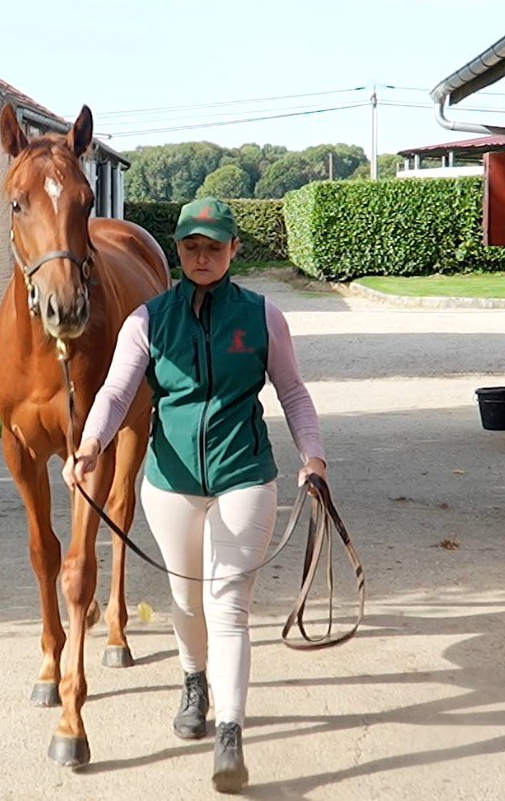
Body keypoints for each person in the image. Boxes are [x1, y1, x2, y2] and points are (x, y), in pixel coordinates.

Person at [64, 196, 326, 794]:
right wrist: (92, 444)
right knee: (186, 601)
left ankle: (230, 730)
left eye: (214, 246)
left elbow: (293, 392)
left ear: (234, 249)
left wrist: (313, 457)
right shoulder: (148, 320)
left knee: (228, 602)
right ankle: (192, 680)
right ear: (178, 250)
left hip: (245, 475)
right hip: (171, 484)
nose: (202, 257)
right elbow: (115, 392)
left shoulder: (263, 317)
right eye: (191, 247)